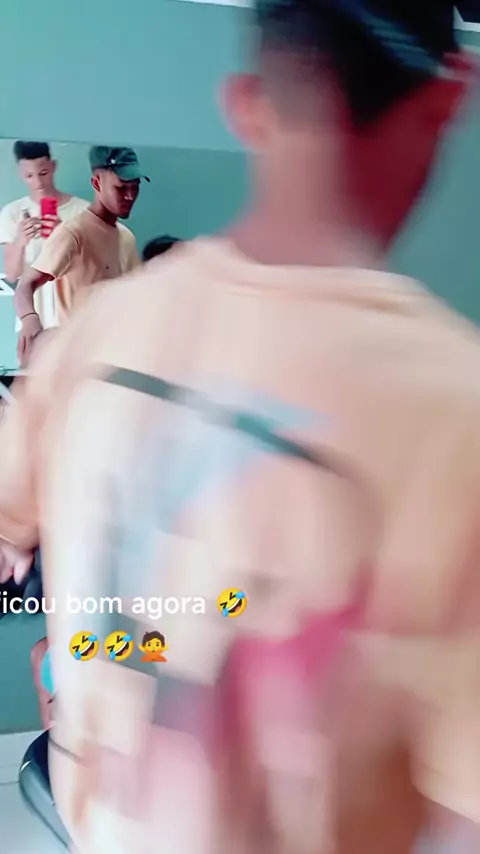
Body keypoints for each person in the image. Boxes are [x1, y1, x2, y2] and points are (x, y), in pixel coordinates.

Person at [0, 2, 479, 853]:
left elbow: (13, 523)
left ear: (246, 103)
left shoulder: (102, 334)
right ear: (451, 99)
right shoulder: (450, 409)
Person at [15, 145, 146, 366]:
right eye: (121, 187)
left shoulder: (127, 238)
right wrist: (29, 319)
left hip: (119, 360)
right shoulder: (73, 233)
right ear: (97, 183)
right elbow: (25, 285)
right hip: (78, 363)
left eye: (135, 187)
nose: (130, 195)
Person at [0, 141, 89, 328]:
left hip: (76, 315)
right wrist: (20, 242)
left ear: (53, 166)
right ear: (20, 173)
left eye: (43, 173)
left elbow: (94, 267)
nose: (38, 183)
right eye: (29, 176)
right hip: (33, 318)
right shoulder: (12, 213)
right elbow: (12, 275)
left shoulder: (82, 210)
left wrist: (65, 236)